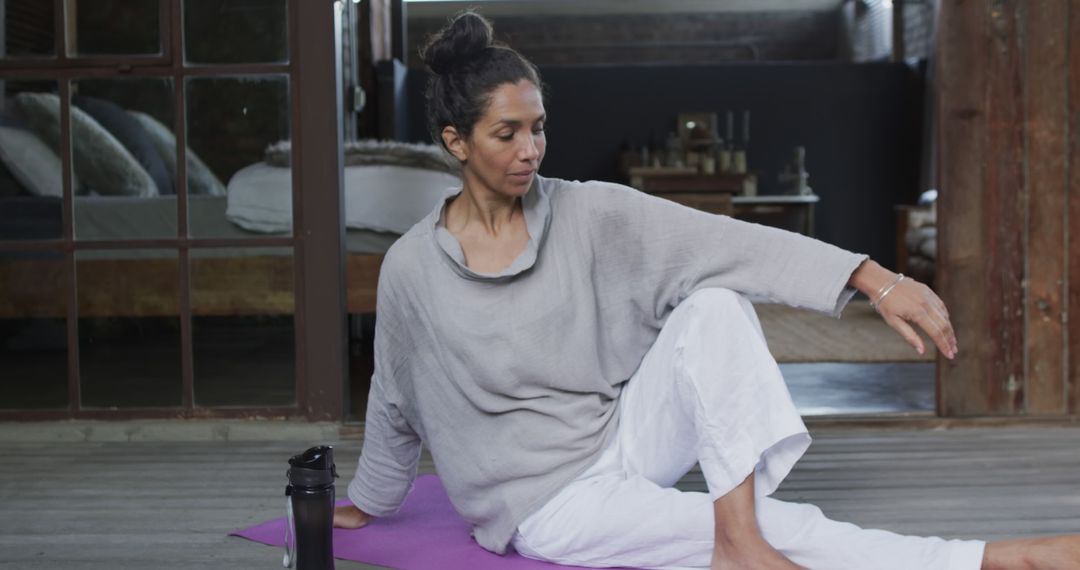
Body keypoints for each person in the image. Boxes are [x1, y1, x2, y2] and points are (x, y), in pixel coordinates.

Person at [334, 11, 1080, 570]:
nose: (531, 149)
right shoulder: (412, 270)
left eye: (539, 127)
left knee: (715, 303)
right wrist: (368, 503)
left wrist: (874, 279)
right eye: (507, 134)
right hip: (546, 505)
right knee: (783, 526)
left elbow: (727, 245)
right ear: (455, 141)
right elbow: (395, 395)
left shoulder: (586, 209)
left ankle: (739, 538)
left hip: (621, 437)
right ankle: (998, 559)